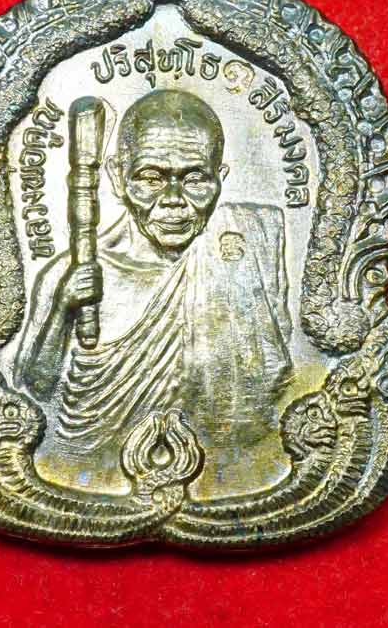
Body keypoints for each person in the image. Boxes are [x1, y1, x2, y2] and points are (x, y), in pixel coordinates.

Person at [15, 89, 292, 493]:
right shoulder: (67, 274)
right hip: (83, 477)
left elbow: (277, 378)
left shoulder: (248, 248)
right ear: (117, 176)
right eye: (151, 178)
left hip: (240, 474)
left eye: (195, 179)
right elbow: (33, 391)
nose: (174, 201)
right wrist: (62, 309)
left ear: (221, 178)